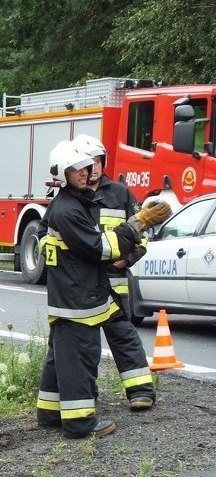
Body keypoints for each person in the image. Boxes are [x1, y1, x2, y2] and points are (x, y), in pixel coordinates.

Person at [35, 140, 169, 438]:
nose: (85, 172)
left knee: (62, 356)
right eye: (77, 169)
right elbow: (101, 248)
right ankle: (80, 422)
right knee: (80, 358)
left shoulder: (80, 201)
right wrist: (137, 223)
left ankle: (50, 412)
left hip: (85, 291)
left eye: (87, 166)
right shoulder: (69, 209)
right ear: (61, 174)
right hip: (79, 296)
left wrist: (130, 248)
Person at [72, 134, 157, 410]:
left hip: (114, 283)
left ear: (103, 162)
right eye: (87, 163)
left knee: (123, 336)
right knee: (82, 343)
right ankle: (86, 392)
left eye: (97, 161)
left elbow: (141, 234)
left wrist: (126, 260)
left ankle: (140, 392)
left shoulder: (120, 194)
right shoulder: (71, 197)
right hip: (83, 284)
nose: (93, 168)